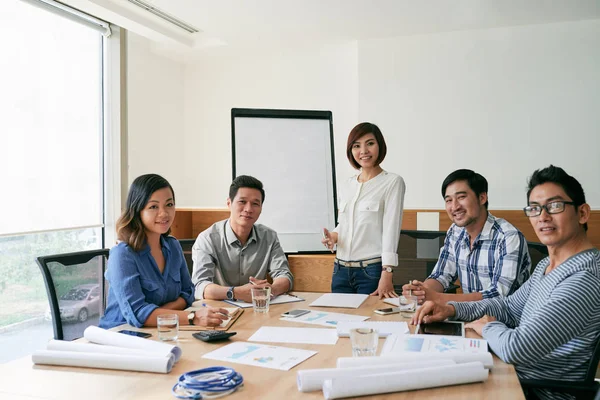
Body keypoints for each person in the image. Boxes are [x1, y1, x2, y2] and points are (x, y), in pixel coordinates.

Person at [413, 165, 600, 399]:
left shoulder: (584, 278)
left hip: (537, 391)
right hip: (513, 373)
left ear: (582, 213)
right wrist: (450, 309)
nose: (543, 216)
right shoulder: (547, 266)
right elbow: (508, 307)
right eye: (534, 208)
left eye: (554, 206)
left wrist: (487, 326)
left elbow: (517, 347)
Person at [100, 174, 228, 329]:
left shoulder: (173, 246)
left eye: (169, 204)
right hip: (122, 335)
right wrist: (192, 317)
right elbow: (138, 314)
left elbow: (188, 292)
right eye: (153, 207)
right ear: (137, 210)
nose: (164, 213)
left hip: (165, 329)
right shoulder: (123, 255)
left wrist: (160, 314)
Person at [403, 169, 530, 303]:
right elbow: (441, 275)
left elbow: (499, 295)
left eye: (461, 197)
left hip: (506, 321)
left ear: (482, 198)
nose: (454, 207)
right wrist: (422, 291)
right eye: (449, 200)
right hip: (469, 317)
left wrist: (439, 298)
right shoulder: (455, 231)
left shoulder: (508, 237)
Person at [322, 122, 406, 298]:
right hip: (340, 271)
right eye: (356, 146)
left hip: (371, 272)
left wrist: (387, 272)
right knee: (339, 322)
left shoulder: (392, 182)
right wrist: (334, 236)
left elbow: (391, 230)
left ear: (380, 146)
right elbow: (344, 224)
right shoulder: (347, 185)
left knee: (370, 324)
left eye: (370, 143)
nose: (363, 151)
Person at [192, 175, 293, 303]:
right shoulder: (208, 238)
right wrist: (236, 293)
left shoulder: (269, 236)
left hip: (258, 308)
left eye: (255, 203)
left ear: (261, 208)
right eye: (242, 202)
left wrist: (271, 289)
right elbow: (199, 286)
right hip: (220, 310)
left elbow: (284, 275)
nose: (249, 209)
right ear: (229, 203)